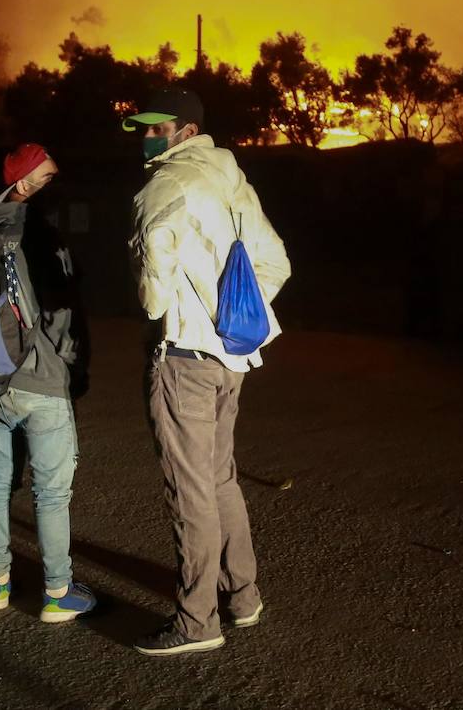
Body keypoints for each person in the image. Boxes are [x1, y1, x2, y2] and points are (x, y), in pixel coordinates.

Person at [124, 88, 291, 656]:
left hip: (183, 359)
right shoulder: (231, 181)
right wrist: (234, 314)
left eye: (156, 127)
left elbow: (152, 290)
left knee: (190, 491)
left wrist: (165, 303)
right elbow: (276, 262)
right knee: (220, 480)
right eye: (143, 127)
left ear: (186, 132)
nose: (147, 136)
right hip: (230, 358)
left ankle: (197, 623)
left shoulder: (164, 185)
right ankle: (242, 597)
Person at [0, 143, 95, 623]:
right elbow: (61, 314)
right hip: (42, 379)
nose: (56, 183)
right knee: (51, 493)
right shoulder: (39, 235)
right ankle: (57, 592)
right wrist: (72, 367)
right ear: (24, 184)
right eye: (48, 176)